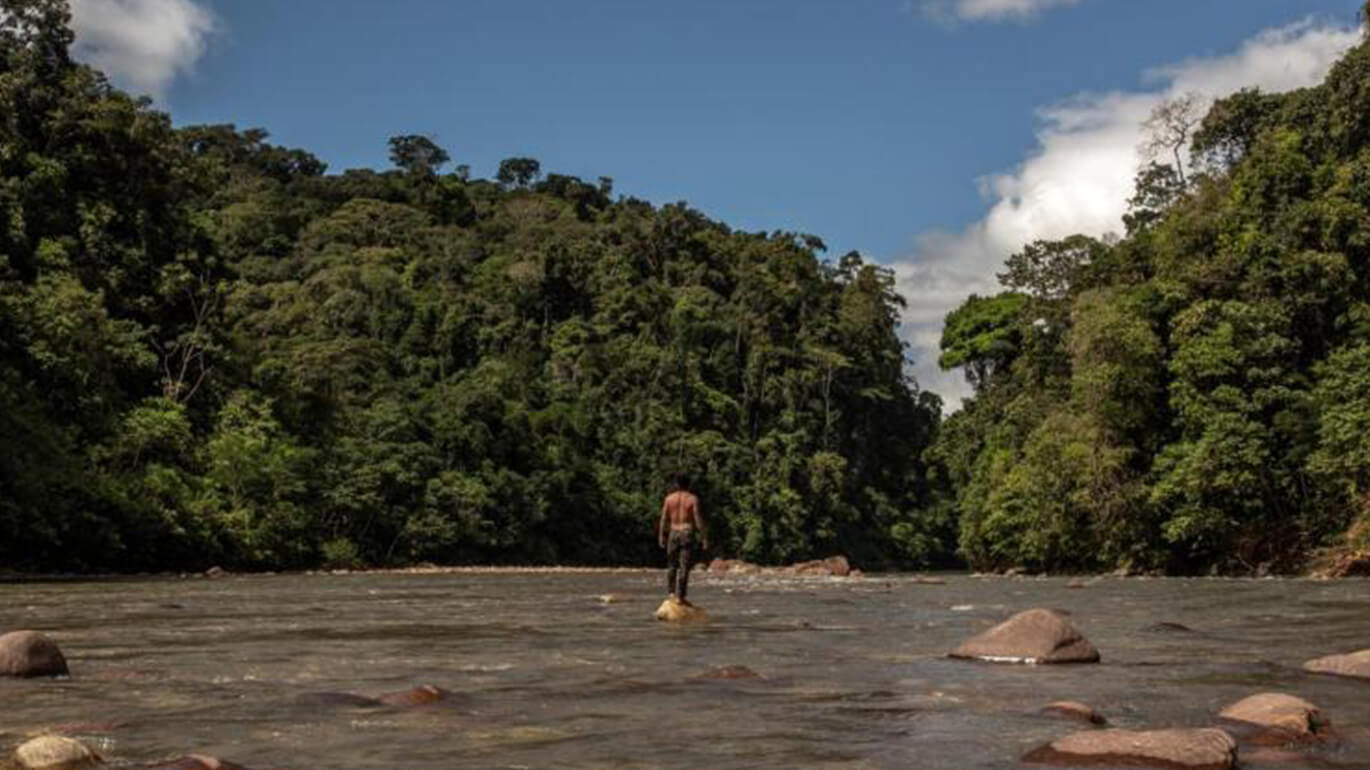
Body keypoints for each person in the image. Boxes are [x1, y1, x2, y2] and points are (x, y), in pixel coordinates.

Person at [657, 472, 707, 604]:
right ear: (688, 484)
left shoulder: (669, 499)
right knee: (684, 566)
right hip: (687, 532)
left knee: (671, 564)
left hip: (673, 532)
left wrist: (661, 535)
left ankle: (671, 593)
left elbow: (663, 519)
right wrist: (704, 537)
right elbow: (697, 519)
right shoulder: (692, 499)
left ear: (676, 484)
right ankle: (681, 596)